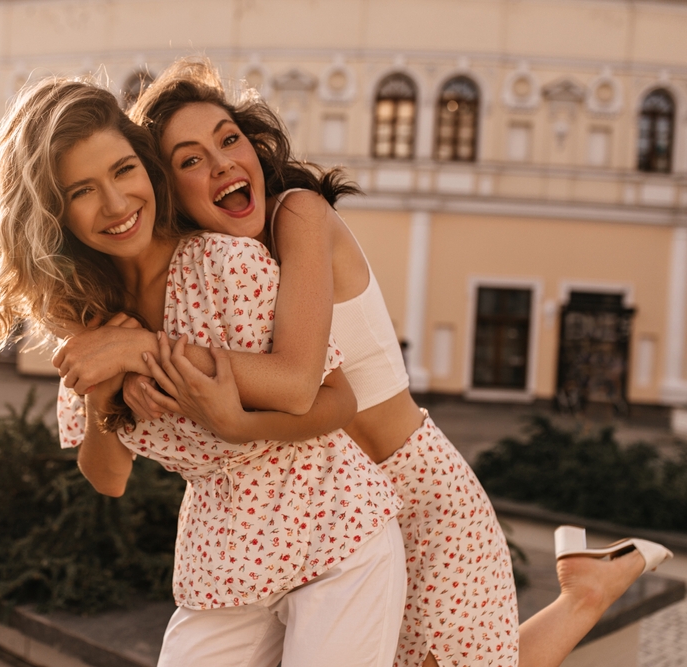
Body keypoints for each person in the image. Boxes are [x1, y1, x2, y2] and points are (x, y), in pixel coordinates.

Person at [53, 58, 672, 667]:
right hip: (313, 510)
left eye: (229, 139)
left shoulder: (297, 216)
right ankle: (587, 587)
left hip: (412, 489)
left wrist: (148, 356)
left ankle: (586, 595)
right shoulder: (204, 270)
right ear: (168, 191)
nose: (222, 165)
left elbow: (298, 383)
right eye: (190, 160)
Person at [0, 74, 407, 667]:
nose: (117, 205)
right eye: (82, 191)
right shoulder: (90, 319)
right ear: (53, 214)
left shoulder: (224, 264)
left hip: (337, 537)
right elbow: (107, 477)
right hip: (224, 564)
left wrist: (143, 352)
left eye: (124, 171)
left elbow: (325, 397)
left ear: (147, 168)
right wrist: (104, 393)